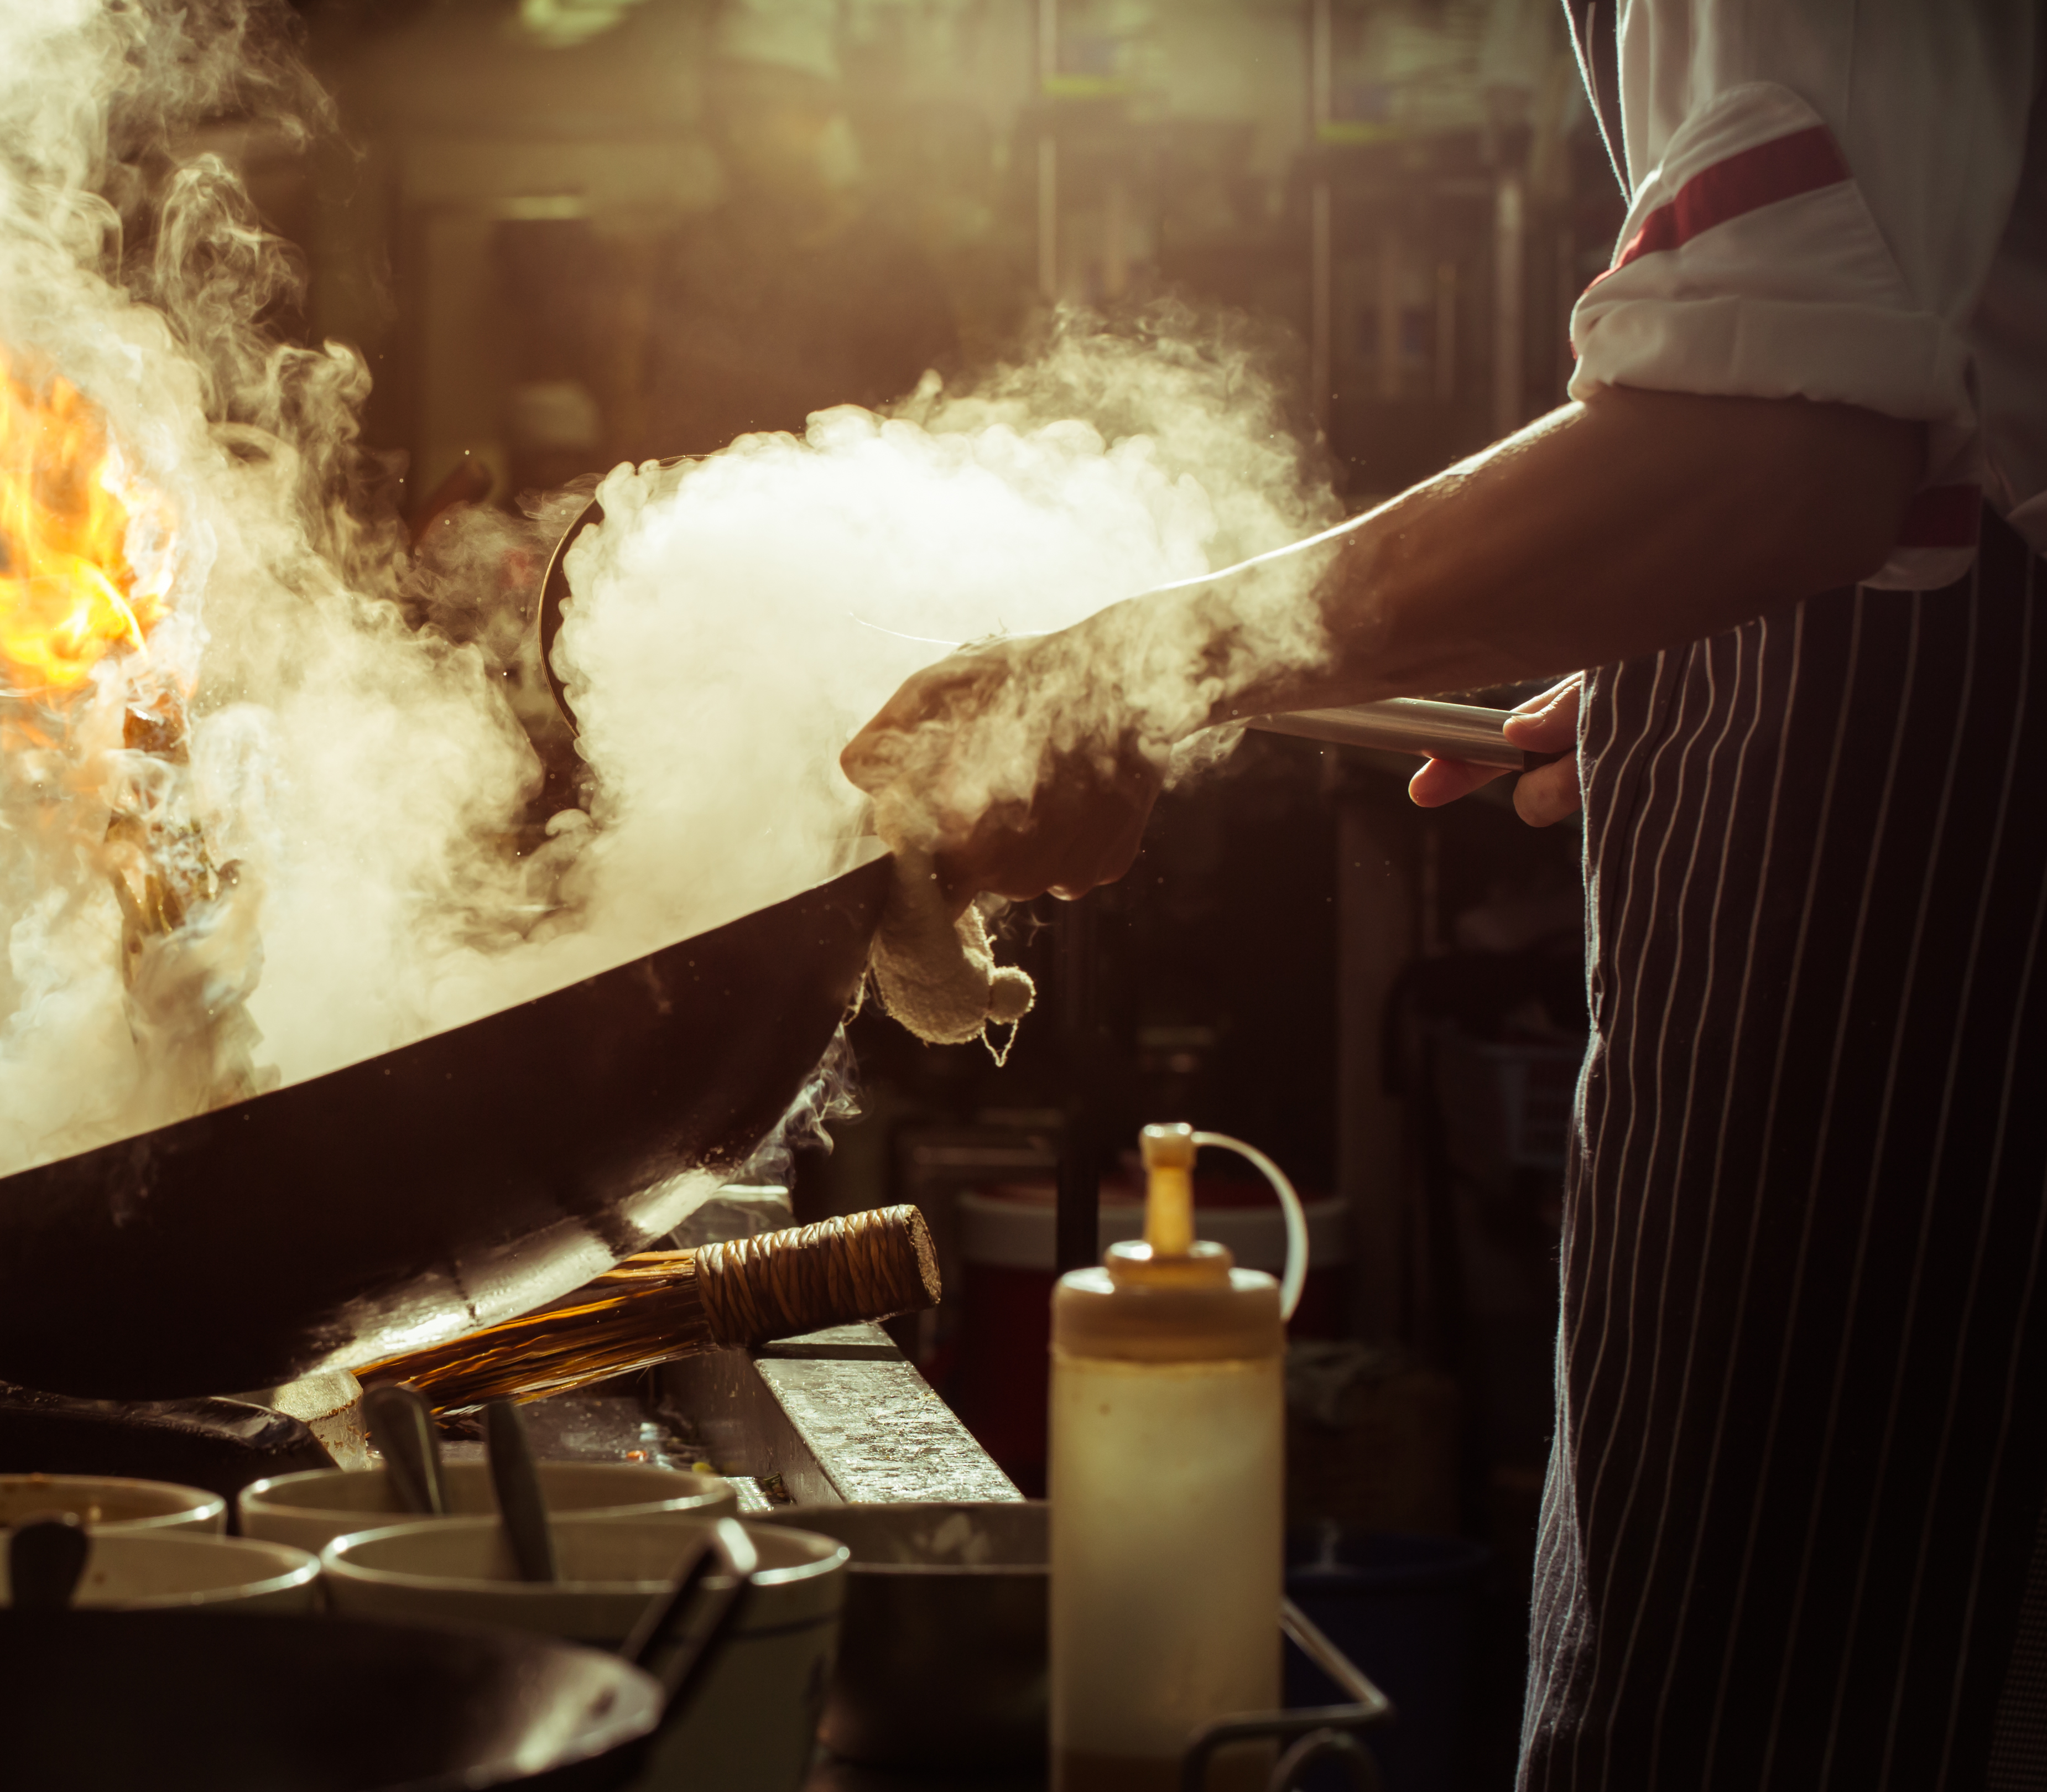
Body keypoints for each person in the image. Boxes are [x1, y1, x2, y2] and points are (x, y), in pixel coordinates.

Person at [842, 3, 2047, 1784]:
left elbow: (1767, 449)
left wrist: (1138, 674)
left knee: (1765, 1686)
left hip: (1956, 837)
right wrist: (1654, 646)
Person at [632, 7, 955, 461]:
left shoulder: (894, 268)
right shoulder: (693, 254)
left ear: (818, 114)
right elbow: (663, 426)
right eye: (723, 113)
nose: (737, 135)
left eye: (759, 109)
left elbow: (929, 432)